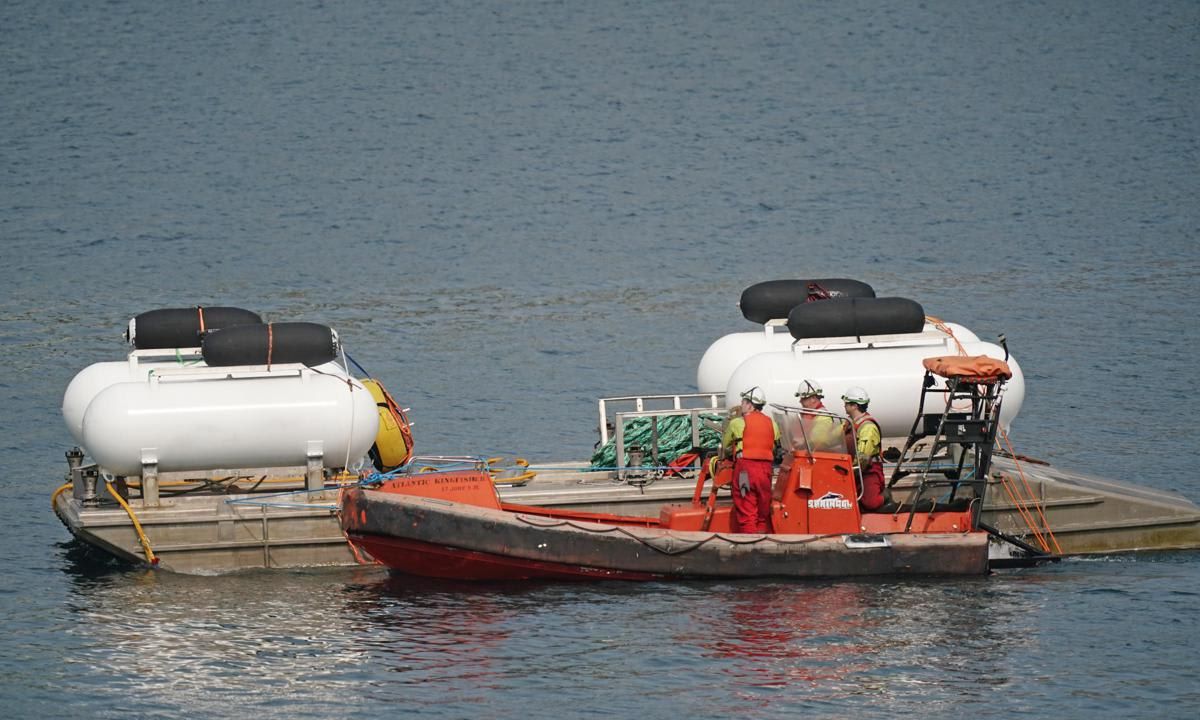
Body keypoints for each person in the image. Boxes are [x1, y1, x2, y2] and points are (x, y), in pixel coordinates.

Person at [720, 386, 781, 533]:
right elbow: (775, 444)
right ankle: (762, 536)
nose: (741, 405)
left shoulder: (736, 423)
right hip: (766, 471)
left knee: (746, 506)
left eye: (743, 401)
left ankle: (750, 545)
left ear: (750, 404)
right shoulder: (772, 423)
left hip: (745, 473)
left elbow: (726, 445)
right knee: (763, 507)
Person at [841, 386, 885, 511]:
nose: (844, 406)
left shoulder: (867, 427)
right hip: (854, 469)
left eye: (846, 403)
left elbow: (863, 457)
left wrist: (850, 472)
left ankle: (885, 497)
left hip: (868, 471)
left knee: (871, 502)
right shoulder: (849, 423)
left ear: (854, 406)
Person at [792, 379, 842, 451]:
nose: (800, 401)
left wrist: (803, 442)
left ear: (813, 398)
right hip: (802, 454)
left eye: (803, 398)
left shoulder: (823, 417)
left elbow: (818, 441)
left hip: (813, 457)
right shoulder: (805, 414)